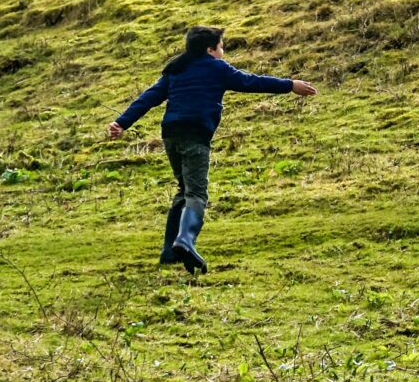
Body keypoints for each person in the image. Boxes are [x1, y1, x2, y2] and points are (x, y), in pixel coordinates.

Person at [105, 26, 315, 274]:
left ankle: (169, 252)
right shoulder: (217, 68)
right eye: (221, 46)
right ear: (210, 49)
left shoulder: (176, 68)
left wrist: (122, 122)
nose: (223, 51)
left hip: (171, 134)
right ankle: (184, 240)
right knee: (196, 194)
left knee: (184, 190)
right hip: (195, 134)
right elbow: (250, 82)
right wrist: (290, 84)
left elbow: (149, 97)